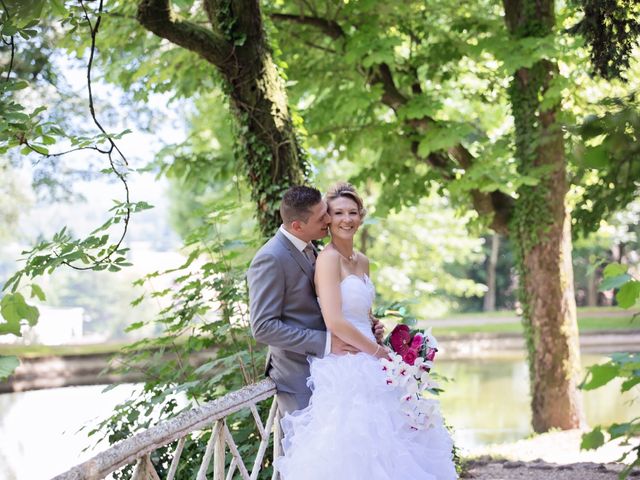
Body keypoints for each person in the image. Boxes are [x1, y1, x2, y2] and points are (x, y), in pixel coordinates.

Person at [275, 182, 458, 480]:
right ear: (328, 220)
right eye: (337, 213)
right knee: (357, 448)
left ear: (361, 216)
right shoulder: (328, 259)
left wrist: (374, 326)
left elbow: (359, 310)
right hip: (347, 363)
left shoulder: (362, 261)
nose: (346, 219)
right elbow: (334, 321)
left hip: (374, 356)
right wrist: (378, 351)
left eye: (352, 212)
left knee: (396, 443)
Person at [247, 185, 383, 416]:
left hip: (335, 363)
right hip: (297, 374)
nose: (329, 219)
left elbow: (326, 302)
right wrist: (326, 342)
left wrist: (366, 325)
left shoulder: (310, 248)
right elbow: (262, 327)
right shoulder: (271, 258)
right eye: (323, 216)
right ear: (298, 226)